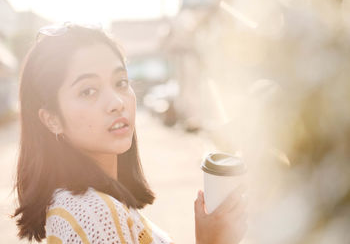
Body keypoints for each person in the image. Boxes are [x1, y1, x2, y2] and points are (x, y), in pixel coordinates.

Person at [12, 23, 247, 244]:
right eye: (88, 91)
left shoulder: (86, 202)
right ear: (51, 119)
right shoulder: (92, 211)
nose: (116, 102)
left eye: (121, 82)